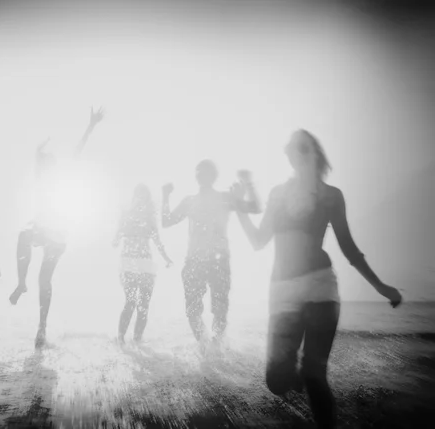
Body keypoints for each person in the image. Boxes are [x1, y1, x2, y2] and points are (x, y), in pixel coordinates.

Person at [232, 129, 402, 429]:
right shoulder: (278, 194)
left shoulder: (331, 195)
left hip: (321, 286)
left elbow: (347, 246)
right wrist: (239, 210)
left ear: (315, 153)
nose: (294, 151)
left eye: (302, 146)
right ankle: (300, 374)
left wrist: (380, 286)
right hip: (282, 291)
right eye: (291, 147)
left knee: (314, 373)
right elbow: (259, 241)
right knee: (276, 380)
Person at [9, 107, 104, 349]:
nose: (43, 168)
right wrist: (37, 151)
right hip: (44, 230)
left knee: (44, 279)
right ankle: (21, 283)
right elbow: (37, 161)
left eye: (46, 164)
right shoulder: (41, 178)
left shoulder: (62, 177)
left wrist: (90, 127)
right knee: (24, 235)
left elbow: (77, 151)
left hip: (58, 235)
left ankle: (41, 328)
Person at [161, 160, 261, 344]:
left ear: (213, 176)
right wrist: (165, 196)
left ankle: (216, 347)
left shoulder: (225, 198)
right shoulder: (190, 201)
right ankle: (206, 347)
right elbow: (166, 221)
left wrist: (248, 183)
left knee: (220, 309)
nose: (202, 175)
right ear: (196, 176)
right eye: (199, 171)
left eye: (205, 172)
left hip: (218, 259)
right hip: (195, 260)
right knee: (193, 310)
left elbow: (255, 207)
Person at [113, 184, 173, 344]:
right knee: (131, 301)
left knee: (144, 305)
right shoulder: (126, 216)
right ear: (134, 197)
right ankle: (120, 338)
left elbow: (158, 242)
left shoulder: (149, 219)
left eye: (143, 196)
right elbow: (115, 240)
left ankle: (137, 340)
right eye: (138, 195)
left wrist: (166, 258)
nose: (140, 199)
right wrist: (119, 231)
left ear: (147, 199)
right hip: (128, 263)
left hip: (146, 264)